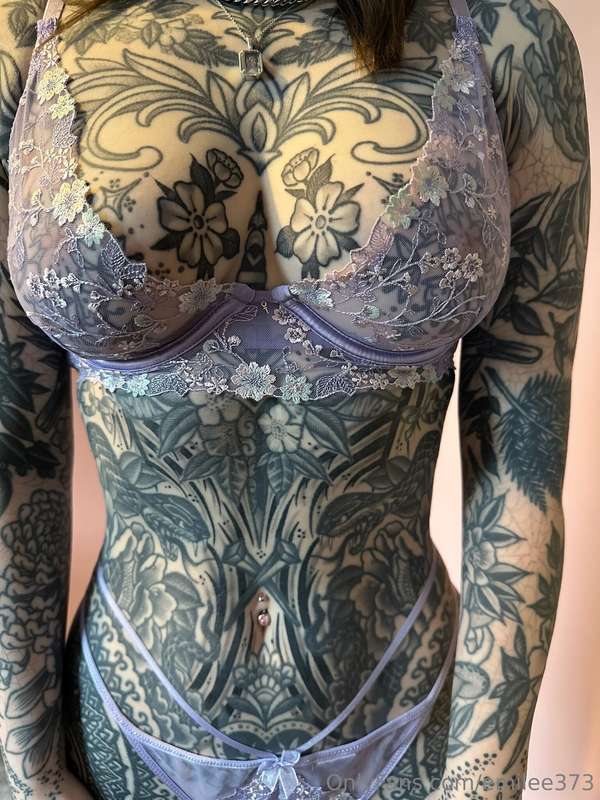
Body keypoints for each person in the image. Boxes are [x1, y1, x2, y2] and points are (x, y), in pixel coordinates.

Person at [0, 0, 590, 798]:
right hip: (128, 723)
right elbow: (17, 455)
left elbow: (522, 467)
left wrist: (486, 777)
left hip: (407, 723)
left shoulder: (506, 36)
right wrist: (25, 771)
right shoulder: (23, 39)